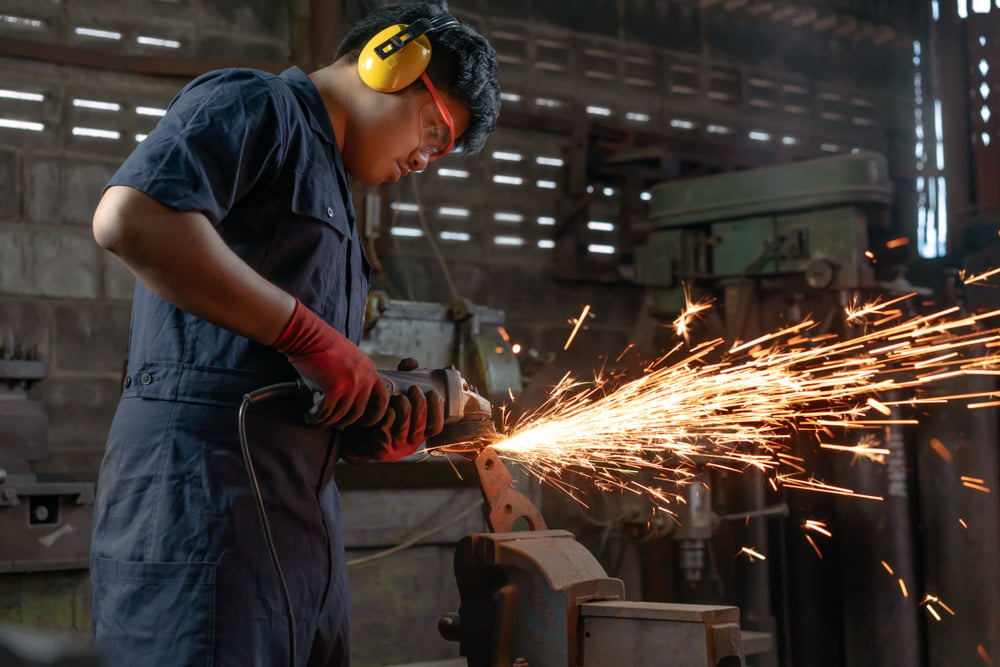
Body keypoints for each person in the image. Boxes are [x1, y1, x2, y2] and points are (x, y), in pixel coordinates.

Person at [88, 1, 501, 665]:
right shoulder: (259, 106)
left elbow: (280, 367)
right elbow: (130, 219)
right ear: (390, 62)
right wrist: (316, 340)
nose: (425, 159)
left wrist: (361, 421)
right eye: (432, 129)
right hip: (201, 507)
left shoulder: (332, 189)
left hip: (298, 529)